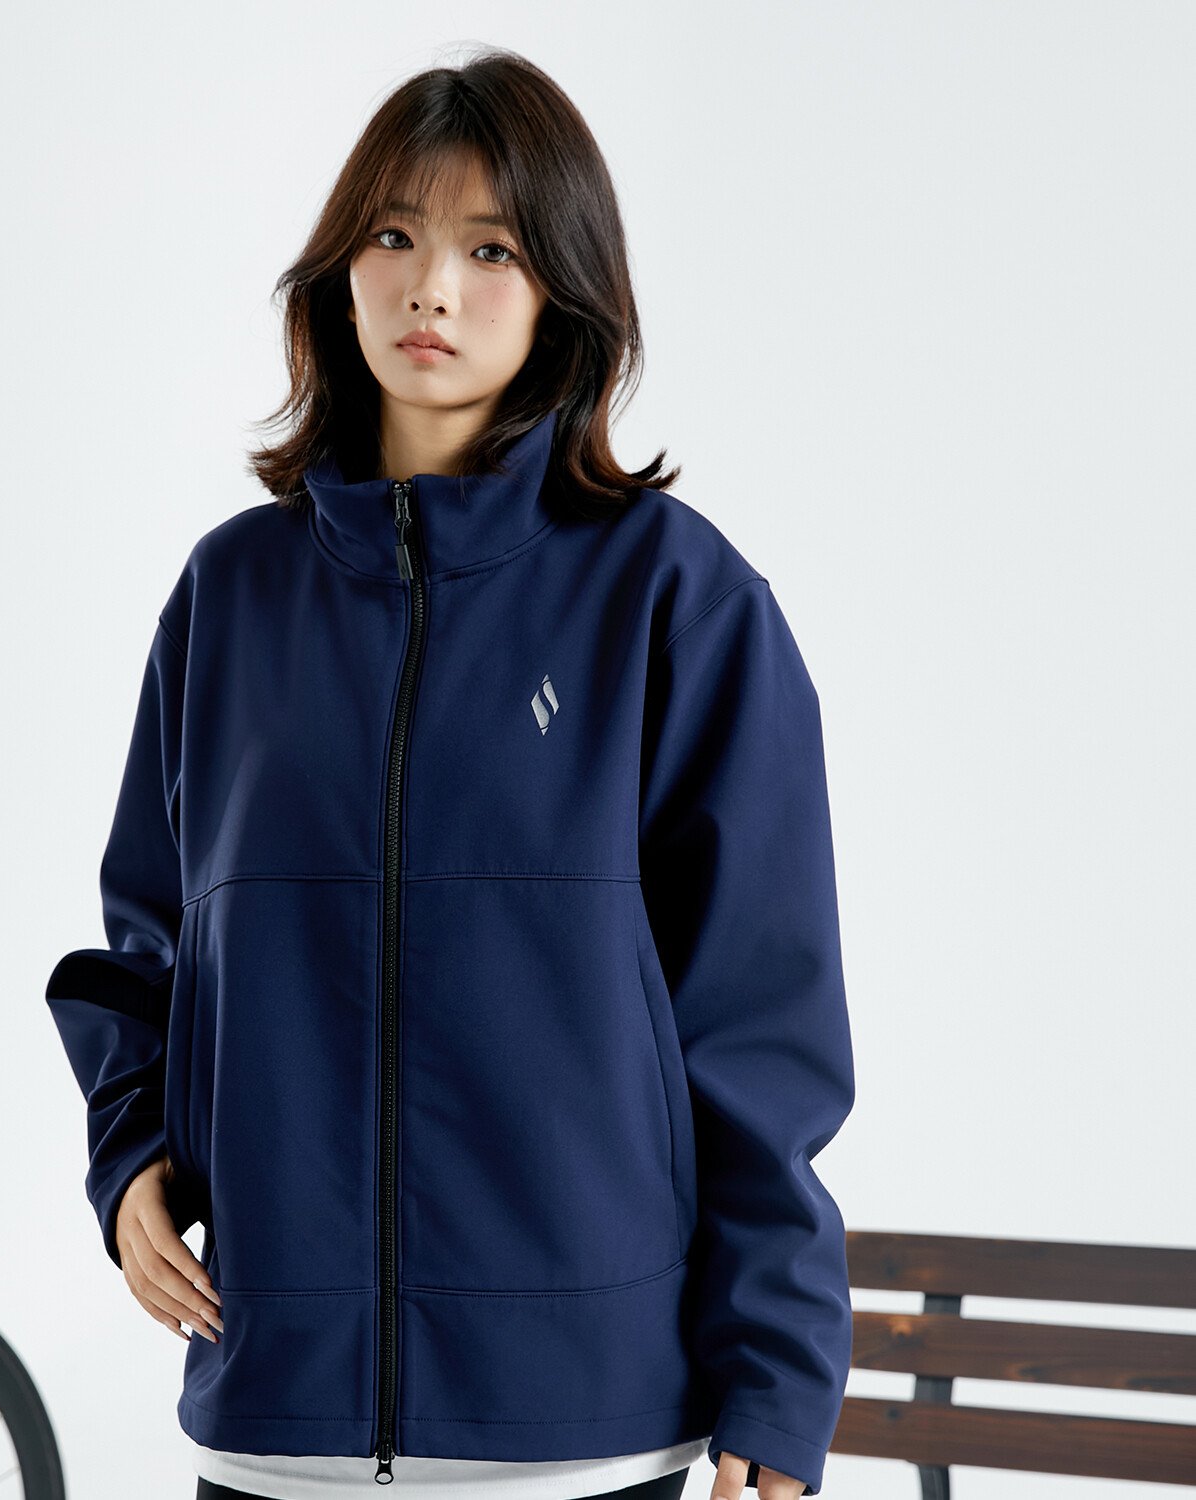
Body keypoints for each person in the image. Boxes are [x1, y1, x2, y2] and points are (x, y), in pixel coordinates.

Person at [46, 44, 855, 1500]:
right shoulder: (232, 597)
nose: (432, 288)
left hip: (580, 1429)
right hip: (275, 1415)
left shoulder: (674, 597)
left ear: (563, 294)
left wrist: (780, 1377)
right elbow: (146, 946)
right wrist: (129, 1166)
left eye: (492, 249)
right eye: (394, 235)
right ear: (338, 275)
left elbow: (759, 1016)